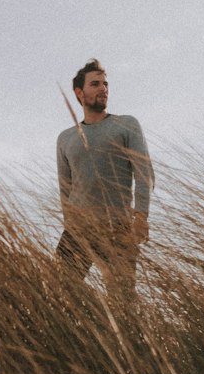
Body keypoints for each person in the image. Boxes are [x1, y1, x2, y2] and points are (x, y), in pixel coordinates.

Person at [55, 59, 154, 303]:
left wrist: (141, 216)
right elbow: (65, 189)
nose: (103, 89)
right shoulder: (66, 138)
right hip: (78, 229)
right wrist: (70, 224)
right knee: (58, 290)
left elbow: (144, 172)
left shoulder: (126, 125)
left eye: (106, 84)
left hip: (117, 226)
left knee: (123, 300)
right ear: (80, 93)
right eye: (95, 84)